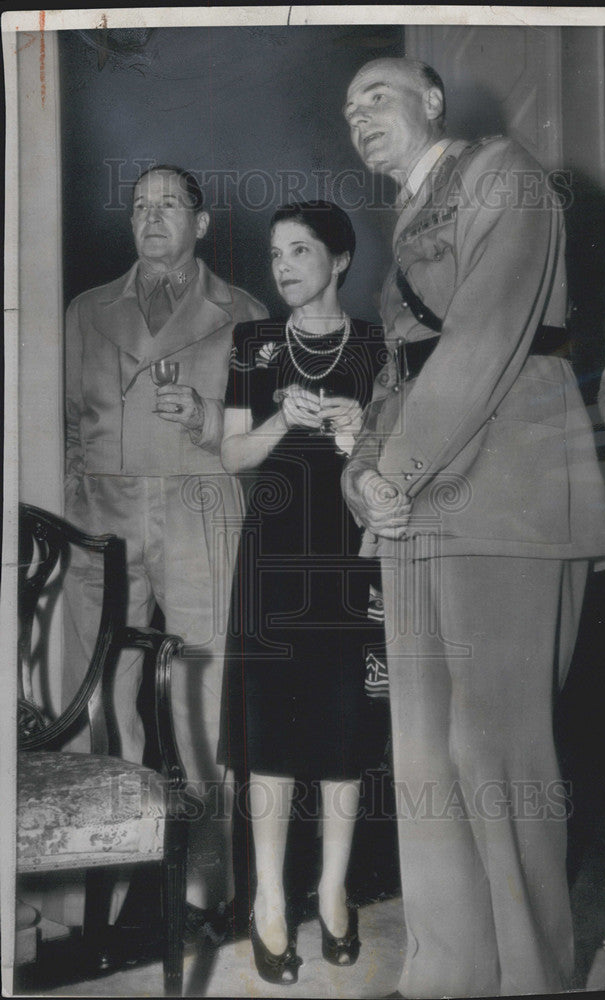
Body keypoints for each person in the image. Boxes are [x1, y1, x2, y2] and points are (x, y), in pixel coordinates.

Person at [340, 58, 605, 998]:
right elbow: (396, 378)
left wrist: (393, 470)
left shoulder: (502, 173)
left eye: (374, 97)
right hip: (418, 501)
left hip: (508, 489)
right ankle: (447, 977)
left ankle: (530, 979)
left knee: (496, 752)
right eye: (346, 110)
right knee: (421, 751)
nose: (356, 117)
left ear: (430, 101)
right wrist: (360, 480)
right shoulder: (410, 215)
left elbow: (484, 337)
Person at [63, 164, 267, 929]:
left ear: (202, 223)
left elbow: (263, 436)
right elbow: (63, 422)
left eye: (170, 204)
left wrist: (209, 414)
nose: (153, 217)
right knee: (99, 692)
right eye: (141, 205)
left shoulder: (244, 312)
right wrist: (74, 510)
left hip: (199, 507)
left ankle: (207, 887)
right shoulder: (85, 310)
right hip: (104, 518)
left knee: (201, 698)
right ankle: (95, 891)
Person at [217, 201, 385, 983]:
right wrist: (284, 416)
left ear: (340, 259)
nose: (282, 265)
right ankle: (269, 903)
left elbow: (394, 462)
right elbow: (231, 457)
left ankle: (333, 891)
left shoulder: (381, 348)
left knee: (345, 737)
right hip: (274, 564)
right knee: (272, 744)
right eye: (274, 252)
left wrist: (360, 437)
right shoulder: (252, 343)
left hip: (350, 561)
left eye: (299, 250)